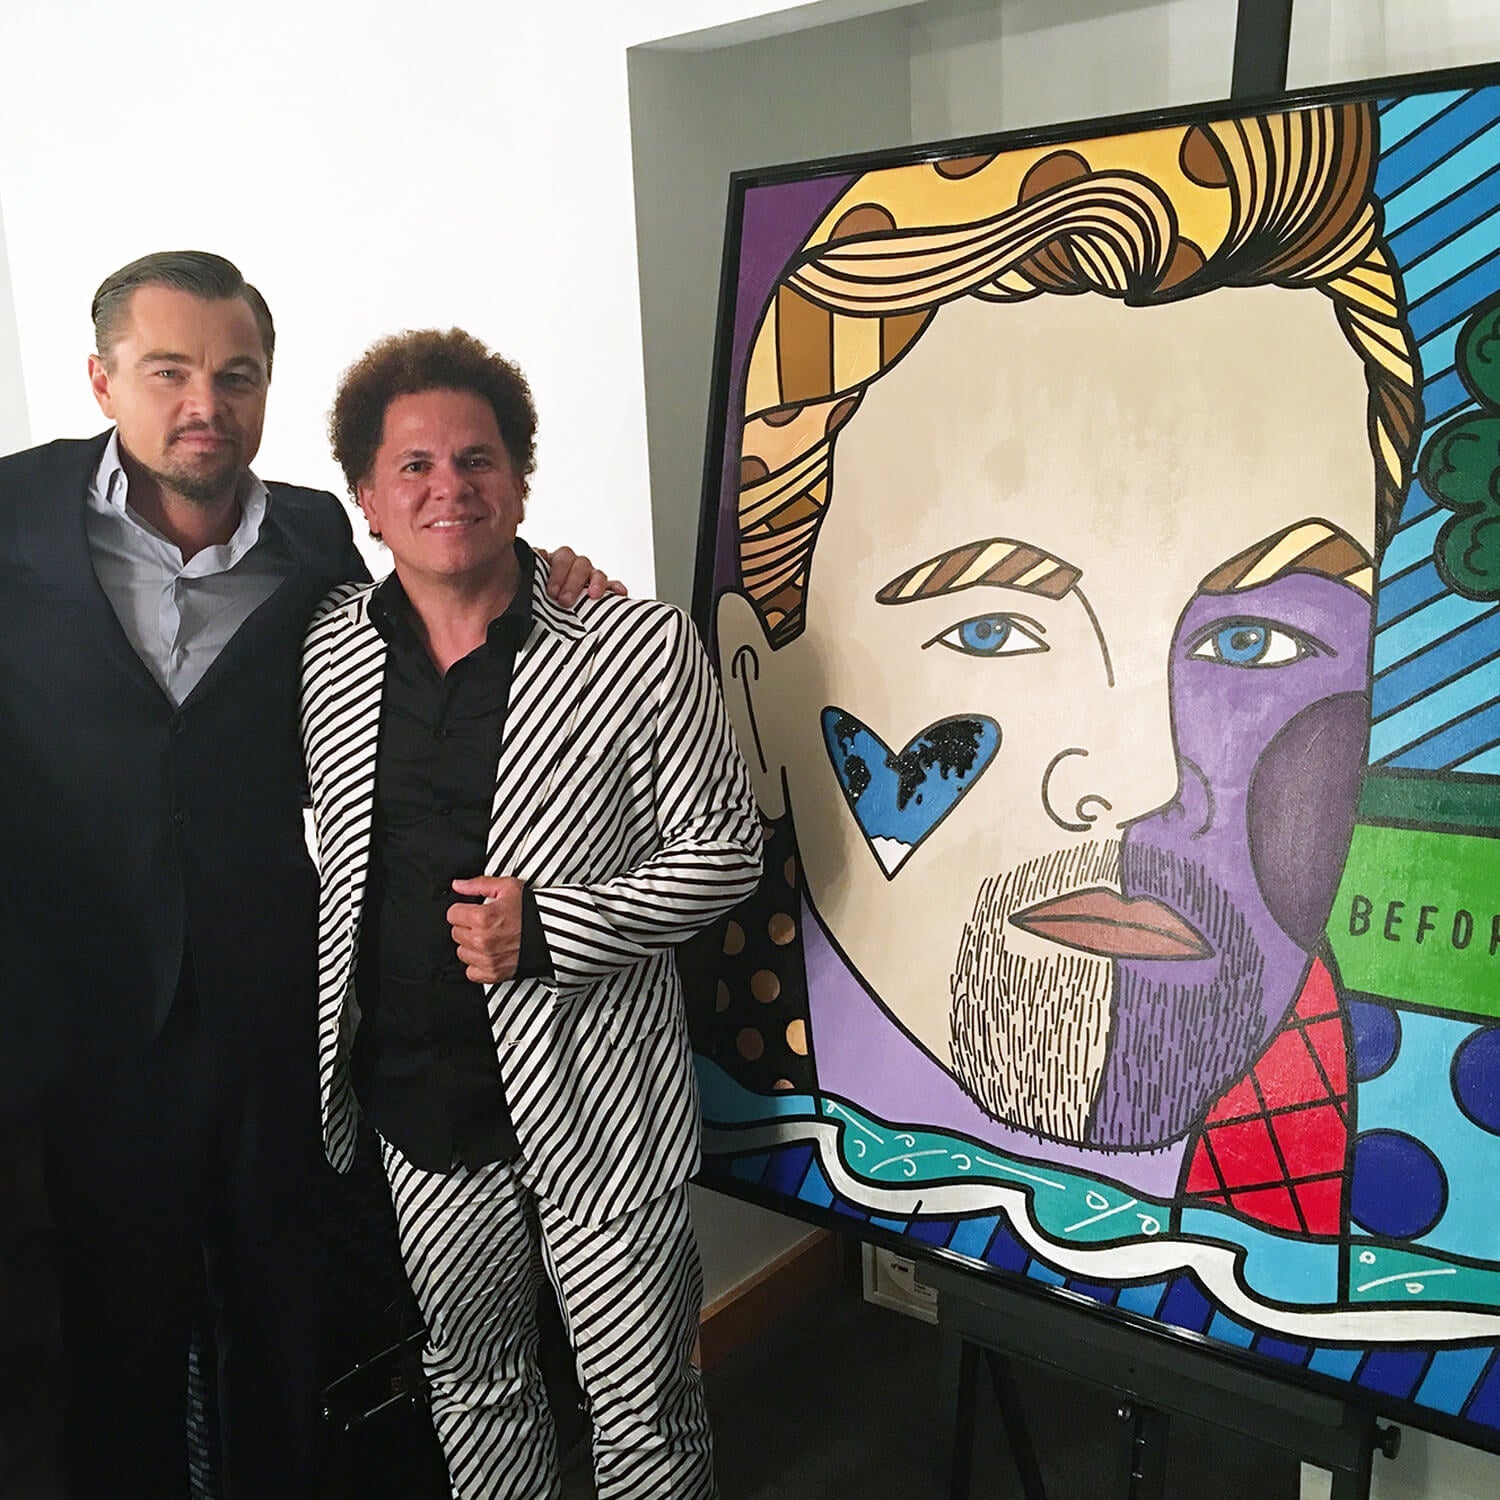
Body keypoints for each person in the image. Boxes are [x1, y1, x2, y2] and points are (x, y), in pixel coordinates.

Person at [709, 101, 1419, 1234]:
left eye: (1255, 641)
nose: (1137, 782)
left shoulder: (1347, 1207)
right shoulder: (735, 1107)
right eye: (992, 630)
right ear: (756, 706)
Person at [0, 250, 611, 1499]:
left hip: (275, 1011)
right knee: (111, 1345)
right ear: (102, 380)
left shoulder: (319, 533)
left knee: (280, 1329)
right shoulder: (13, 512)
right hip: (82, 1022)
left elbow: (432, 594)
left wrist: (553, 576)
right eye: (168, 372)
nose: (205, 405)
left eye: (236, 375)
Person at [303, 328, 761, 1500]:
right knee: (474, 1382)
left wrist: (553, 927)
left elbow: (726, 853)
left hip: (599, 1103)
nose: (448, 488)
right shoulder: (328, 657)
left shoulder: (635, 646)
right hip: (421, 1108)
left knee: (645, 1410)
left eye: (477, 459)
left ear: (519, 478)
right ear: (368, 498)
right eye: (414, 466)